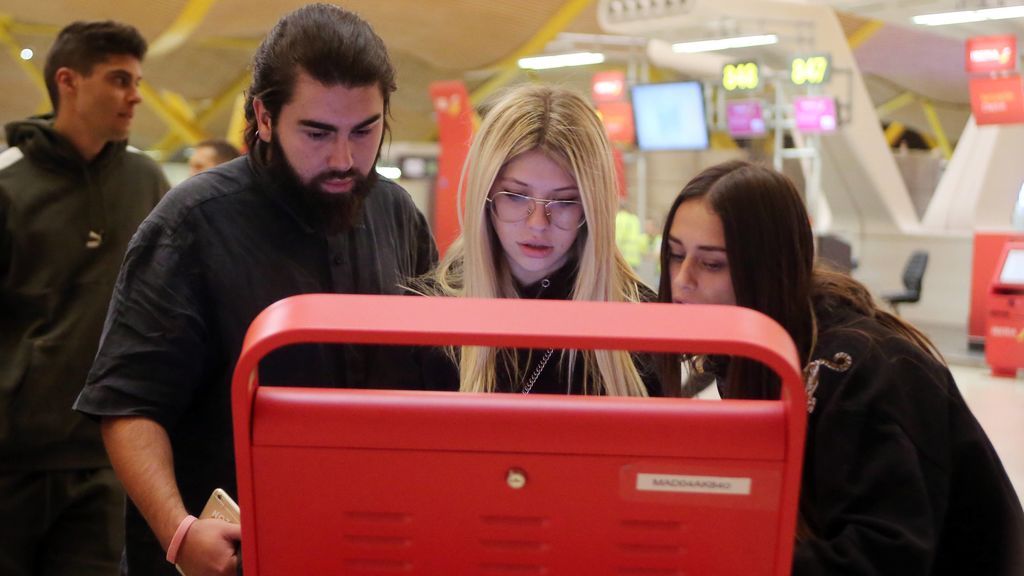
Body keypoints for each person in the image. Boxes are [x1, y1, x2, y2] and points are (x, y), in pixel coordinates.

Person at [73, 4, 437, 575]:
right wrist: (180, 532)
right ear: (264, 118)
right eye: (317, 133)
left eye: (365, 131)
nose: (344, 159)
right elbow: (128, 405)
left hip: (360, 543)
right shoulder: (191, 223)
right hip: (220, 558)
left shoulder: (396, 213)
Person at [658, 160, 1024, 575]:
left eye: (711, 264)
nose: (681, 280)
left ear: (767, 269)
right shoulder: (759, 351)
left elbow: (884, 556)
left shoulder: (857, 370)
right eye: (674, 255)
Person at [0, 20, 167, 576]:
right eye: (119, 79)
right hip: (10, 461)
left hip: (107, 462)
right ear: (68, 81)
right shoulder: (8, 185)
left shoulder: (148, 184)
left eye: (137, 80)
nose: (135, 95)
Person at [415, 84, 658, 396]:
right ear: (486, 197)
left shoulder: (641, 320)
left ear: (592, 207)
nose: (538, 224)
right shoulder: (432, 313)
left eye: (565, 201)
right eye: (515, 196)